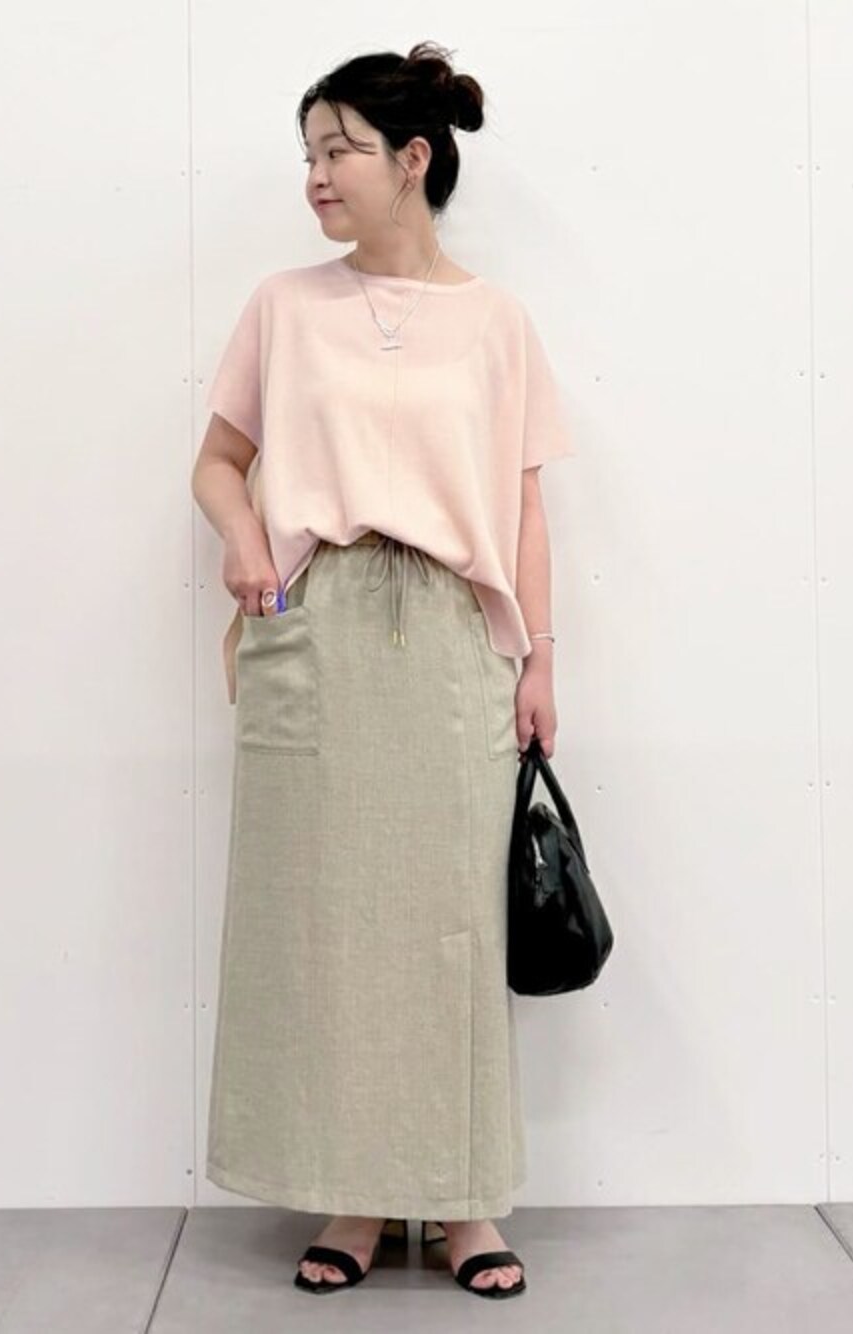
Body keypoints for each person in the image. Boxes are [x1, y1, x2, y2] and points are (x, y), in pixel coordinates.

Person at [191, 40, 575, 1301]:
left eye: (340, 149)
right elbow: (216, 464)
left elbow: (523, 509)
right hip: (317, 624)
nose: (316, 174)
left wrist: (539, 657)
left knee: (451, 927)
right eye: (308, 152)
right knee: (324, 923)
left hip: (455, 637)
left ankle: (462, 1199)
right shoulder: (282, 305)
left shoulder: (497, 322)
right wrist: (247, 547)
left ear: (413, 159)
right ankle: (353, 1192)